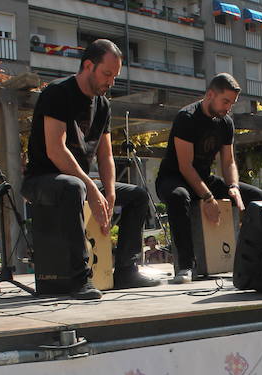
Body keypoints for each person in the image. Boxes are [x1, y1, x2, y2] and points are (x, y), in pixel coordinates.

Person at [22, 39, 159, 300]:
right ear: (88, 66)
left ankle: (126, 270)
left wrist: (109, 193)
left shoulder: (104, 105)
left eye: (115, 76)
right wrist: (91, 190)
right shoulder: (57, 92)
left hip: (77, 180)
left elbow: (106, 154)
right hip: (41, 179)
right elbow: (55, 150)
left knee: (137, 195)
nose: (111, 82)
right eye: (107, 74)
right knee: (74, 187)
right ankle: (78, 279)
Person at [156, 73, 262, 283]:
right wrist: (208, 198)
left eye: (232, 103)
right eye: (225, 101)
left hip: (204, 178)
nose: (228, 108)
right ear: (210, 95)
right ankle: (186, 266)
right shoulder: (186, 118)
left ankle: (253, 260)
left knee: (255, 195)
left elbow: (229, 161)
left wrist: (233, 186)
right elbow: (185, 166)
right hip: (173, 178)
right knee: (179, 196)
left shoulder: (226, 122)